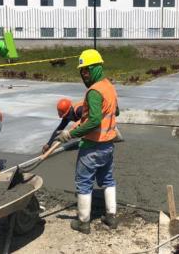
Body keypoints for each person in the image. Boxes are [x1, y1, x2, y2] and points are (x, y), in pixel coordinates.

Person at [57, 49, 119, 234]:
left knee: (84, 182)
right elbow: (116, 112)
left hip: (92, 147)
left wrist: (70, 135)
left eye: (87, 70)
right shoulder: (108, 86)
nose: (84, 74)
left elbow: (93, 121)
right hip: (108, 145)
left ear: (96, 68)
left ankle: (83, 222)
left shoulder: (94, 92)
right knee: (108, 180)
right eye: (82, 71)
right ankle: (111, 217)